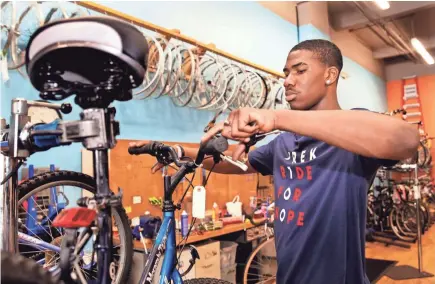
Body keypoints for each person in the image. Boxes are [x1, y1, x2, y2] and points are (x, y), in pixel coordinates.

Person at [131, 39, 420, 284]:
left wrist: (276, 117)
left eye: (300, 71)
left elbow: (407, 140)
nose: (287, 80)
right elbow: (233, 162)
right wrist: (176, 149)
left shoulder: (352, 135)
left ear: (330, 75)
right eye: (286, 72)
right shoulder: (284, 142)